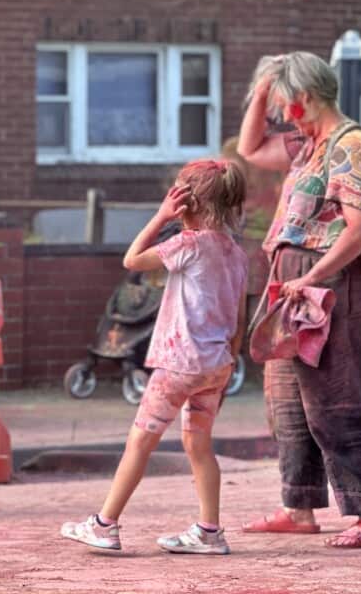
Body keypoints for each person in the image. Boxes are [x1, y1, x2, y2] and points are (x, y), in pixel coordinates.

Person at [236, 52, 361, 549]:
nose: (279, 111)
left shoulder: (351, 146)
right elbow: (249, 147)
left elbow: (360, 228)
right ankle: (298, 505)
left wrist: (316, 277)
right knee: (286, 400)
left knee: (336, 401)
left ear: (304, 98)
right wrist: (263, 85)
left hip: (336, 287)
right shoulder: (307, 145)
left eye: (283, 100)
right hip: (297, 288)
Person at [60, 159, 248, 555]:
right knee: (199, 444)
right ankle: (209, 531)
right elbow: (239, 317)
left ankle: (104, 525)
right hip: (216, 363)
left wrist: (161, 216)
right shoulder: (235, 252)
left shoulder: (189, 244)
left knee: (140, 441)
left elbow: (132, 259)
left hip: (179, 362)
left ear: (186, 202)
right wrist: (229, 362)